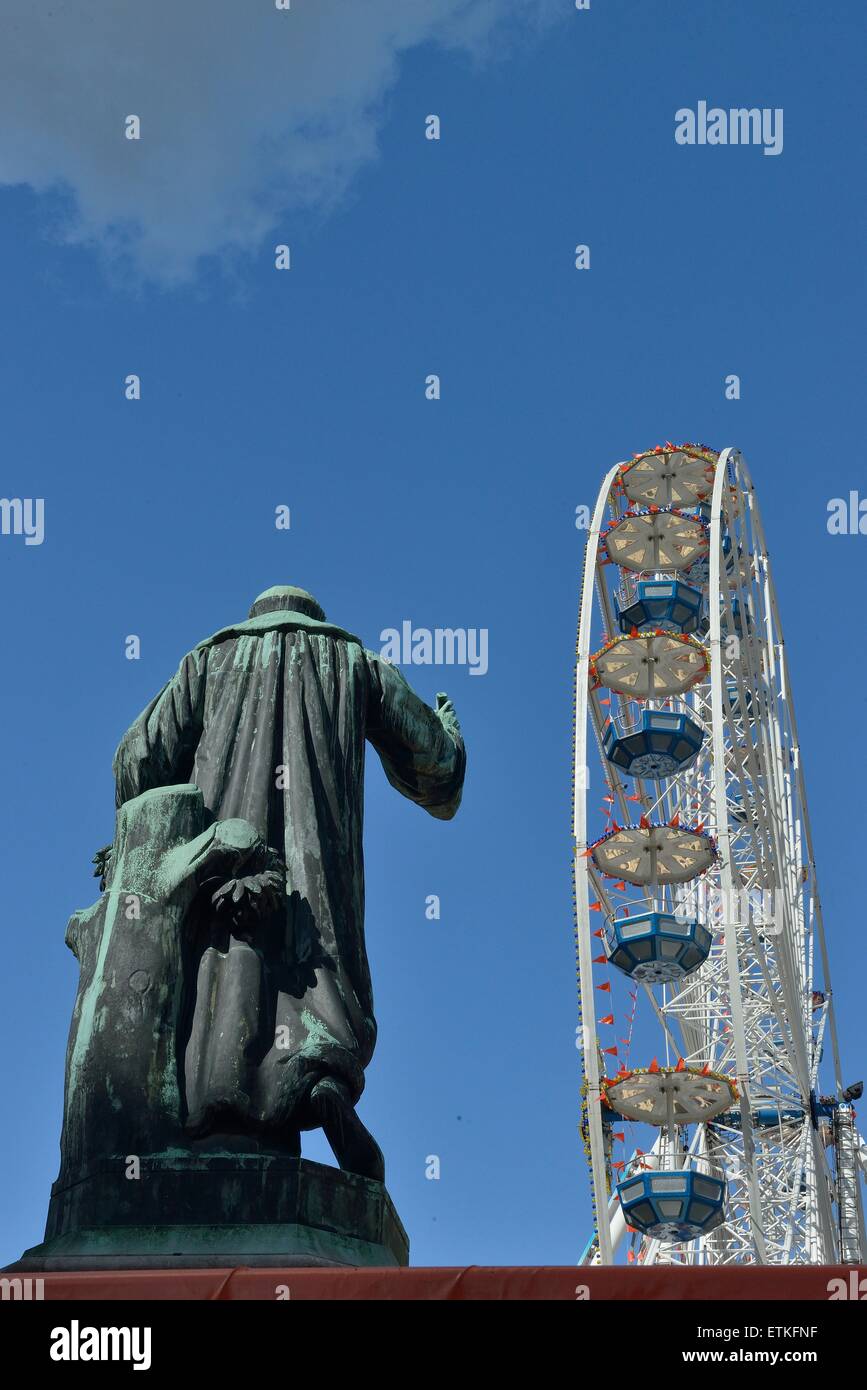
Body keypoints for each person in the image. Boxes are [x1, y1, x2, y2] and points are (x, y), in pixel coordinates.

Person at [112, 585, 466, 1180]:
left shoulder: (208, 661)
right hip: (318, 885)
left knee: (222, 966)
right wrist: (450, 735)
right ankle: (316, 1074)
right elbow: (434, 765)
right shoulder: (354, 662)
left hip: (224, 872)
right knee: (316, 973)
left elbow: (136, 761)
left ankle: (222, 1104)